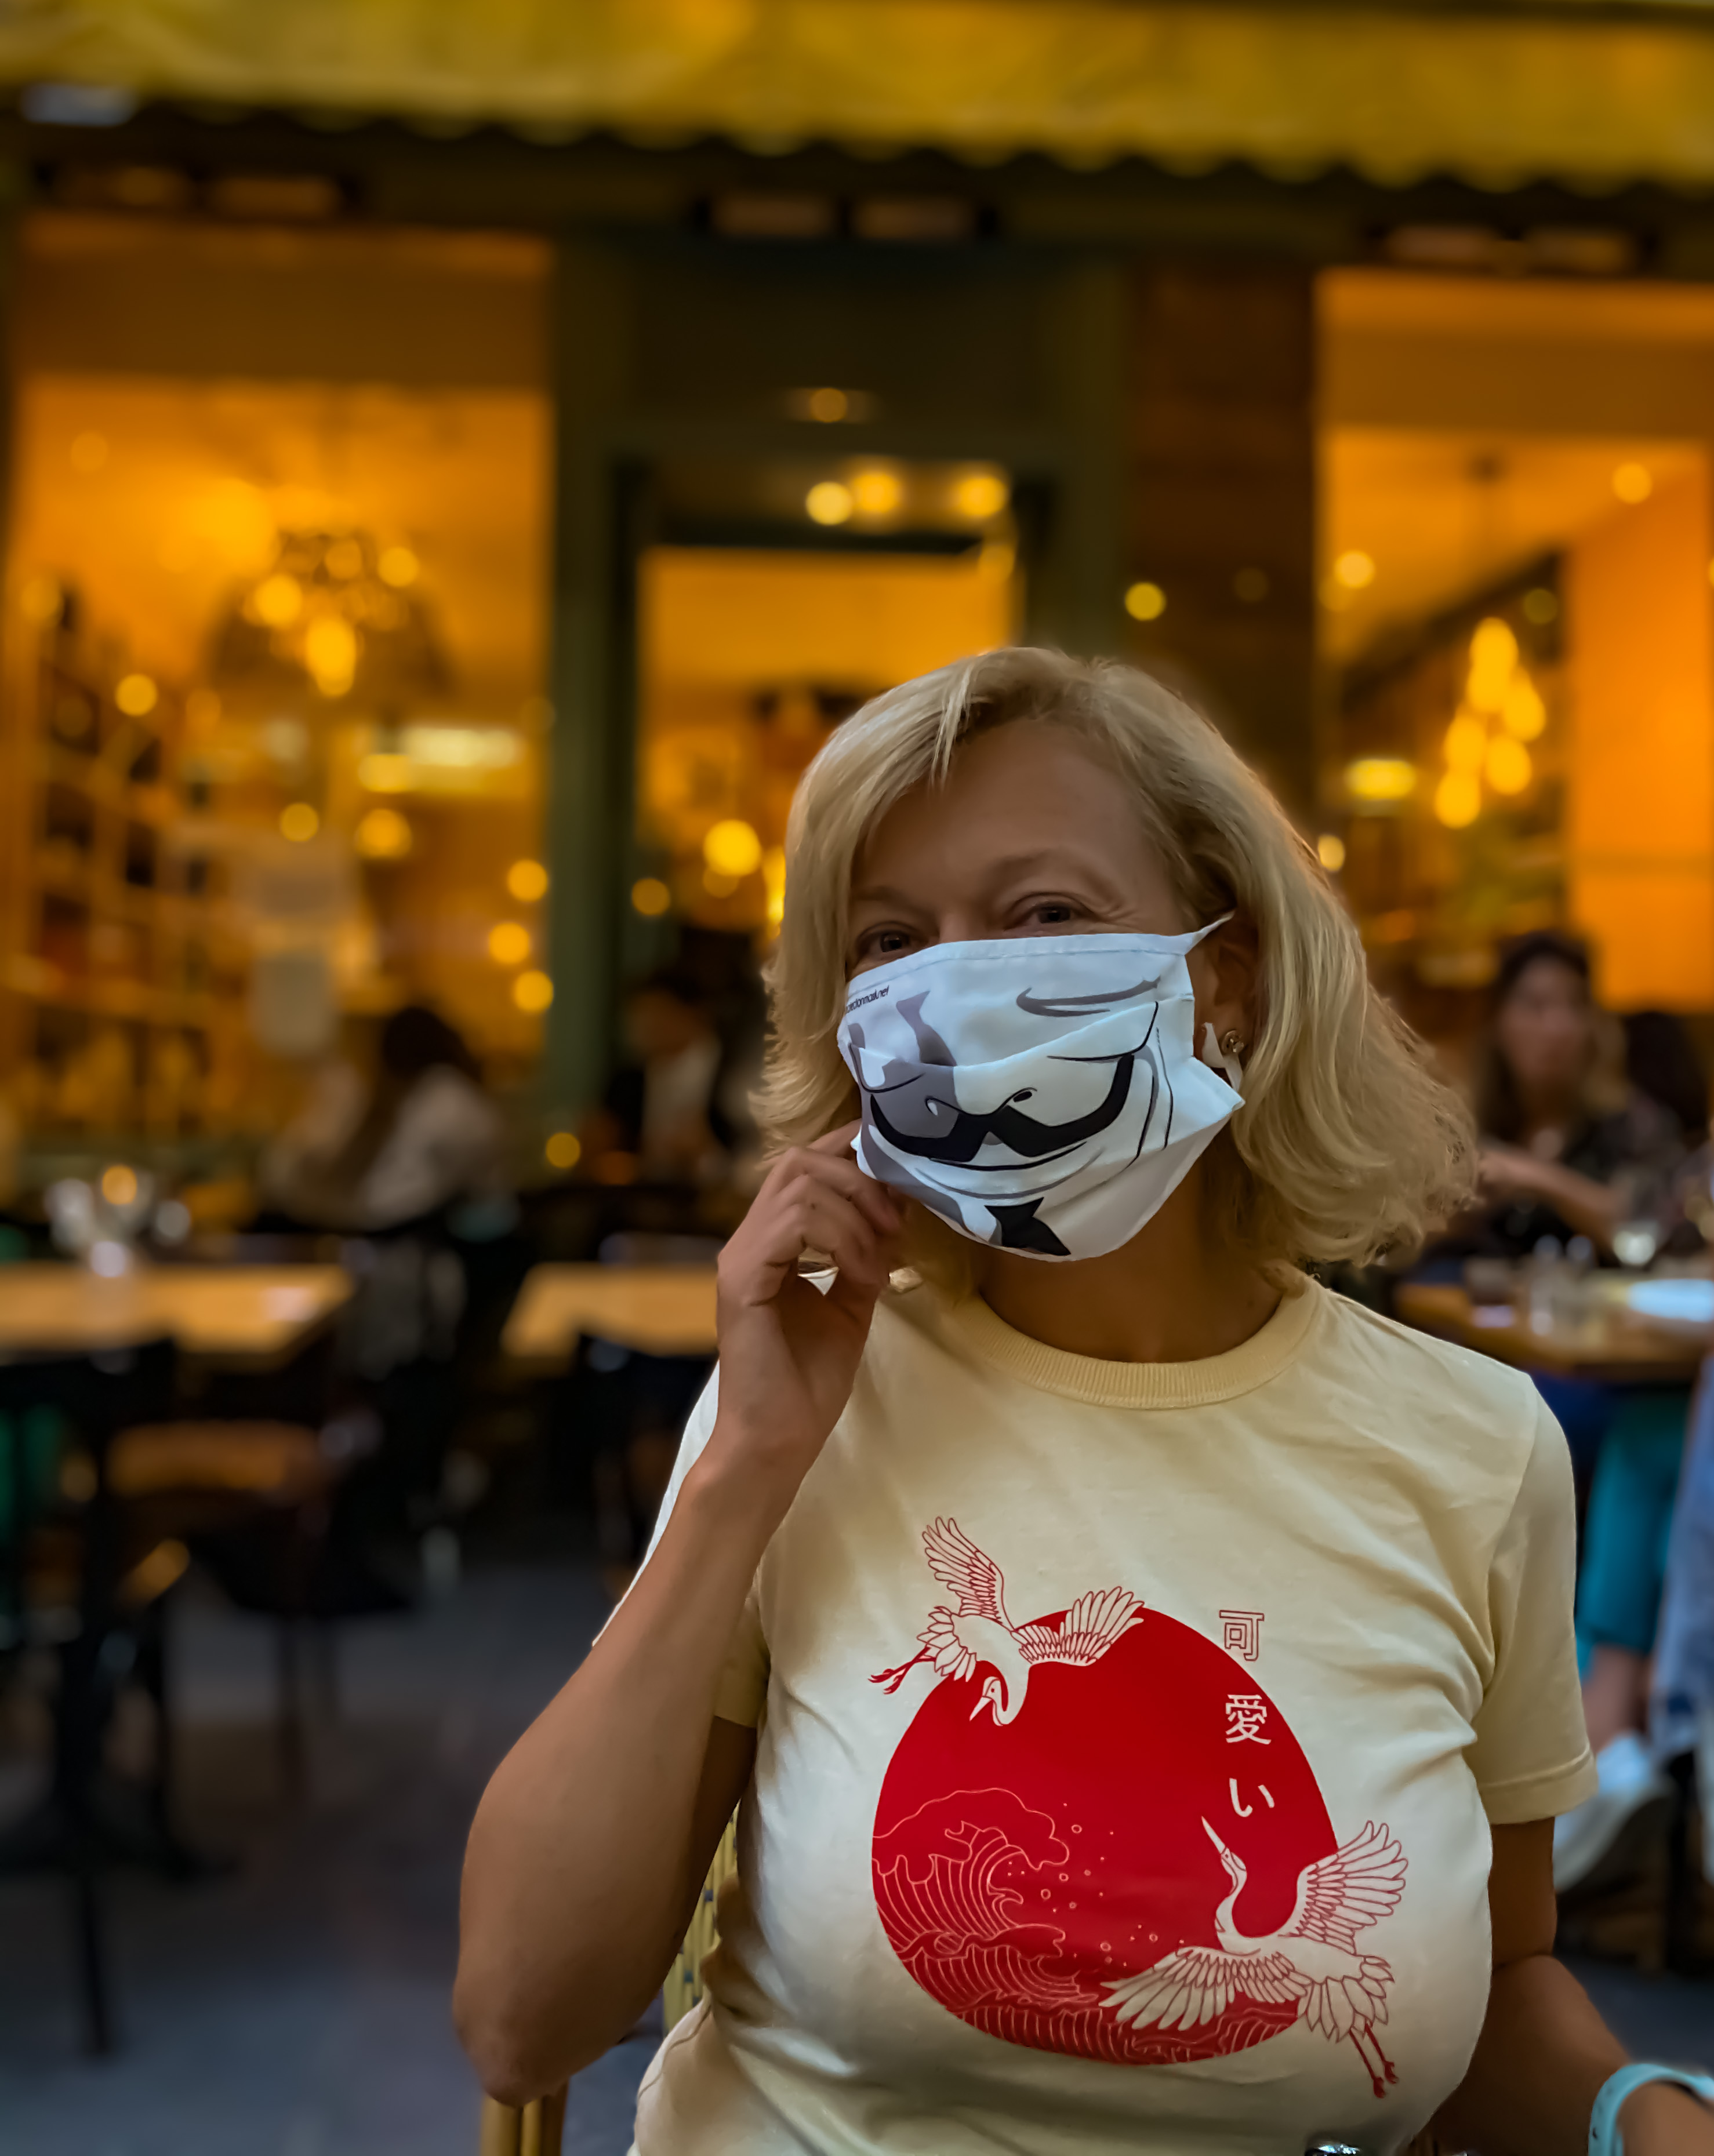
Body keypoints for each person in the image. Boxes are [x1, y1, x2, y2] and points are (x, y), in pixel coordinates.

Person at [457, 651, 1714, 2154]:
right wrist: (746, 1461)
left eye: (1043, 912)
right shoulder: (804, 1408)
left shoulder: (1473, 1447)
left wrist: (1646, 2114)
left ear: (1225, 971)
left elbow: (1488, 1982)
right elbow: (522, 2014)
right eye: (889, 937)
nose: (962, 982)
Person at [1460, 933, 1684, 1263]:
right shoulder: (1471, 1124)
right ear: (1496, 1022)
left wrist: (1529, 1176)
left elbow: (1646, 1229)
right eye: (1535, 1006)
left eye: (1575, 1006)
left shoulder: (1633, 1124)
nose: (1559, 1027)